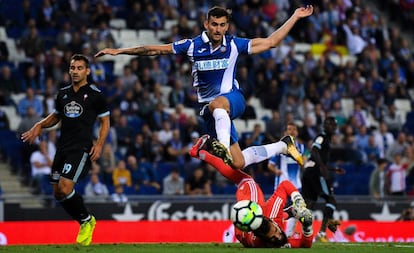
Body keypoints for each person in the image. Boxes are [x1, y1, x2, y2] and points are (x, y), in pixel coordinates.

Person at [95, 5, 313, 170]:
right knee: (238, 163)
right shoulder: (192, 46)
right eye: (214, 24)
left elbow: (271, 42)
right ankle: (283, 146)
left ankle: (222, 147)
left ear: (227, 26)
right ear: (206, 24)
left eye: (222, 25)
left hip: (232, 99)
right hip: (212, 114)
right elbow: (154, 50)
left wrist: (295, 16)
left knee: (217, 105)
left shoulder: (235, 45)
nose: (218, 29)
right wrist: (119, 51)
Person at [21, 54, 110, 246]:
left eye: (79, 68)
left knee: (65, 187)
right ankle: (84, 220)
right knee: (57, 193)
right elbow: (56, 116)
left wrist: (100, 144)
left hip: (81, 148)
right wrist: (39, 124)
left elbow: (105, 121)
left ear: (87, 71)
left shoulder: (95, 95)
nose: (75, 71)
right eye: (72, 68)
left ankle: (87, 221)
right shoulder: (62, 93)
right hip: (62, 147)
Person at [189, 135, 313, 248]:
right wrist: (303, 222)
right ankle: (201, 153)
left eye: (274, 234)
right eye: (277, 231)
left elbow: (284, 186)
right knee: (239, 173)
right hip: (242, 225)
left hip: (248, 212)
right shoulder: (275, 233)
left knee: (245, 177)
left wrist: (297, 202)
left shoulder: (272, 216)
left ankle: (214, 148)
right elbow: (304, 244)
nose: (279, 235)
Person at [301, 116, 345, 242]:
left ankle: (301, 232)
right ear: (325, 126)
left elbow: (318, 159)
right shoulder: (322, 137)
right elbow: (314, 150)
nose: (333, 127)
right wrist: (323, 168)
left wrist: (333, 169)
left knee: (309, 204)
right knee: (331, 200)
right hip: (315, 172)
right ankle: (321, 233)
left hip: (309, 172)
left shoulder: (326, 139)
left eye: (334, 125)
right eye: (330, 125)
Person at [267, 122, 306, 237]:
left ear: (297, 133)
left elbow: (303, 163)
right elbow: (270, 165)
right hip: (282, 186)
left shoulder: (302, 148)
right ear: (285, 132)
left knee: (295, 210)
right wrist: (276, 171)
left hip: (296, 186)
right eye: (289, 129)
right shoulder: (280, 147)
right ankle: (276, 233)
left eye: (294, 129)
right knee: (279, 211)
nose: (292, 131)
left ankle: (288, 234)